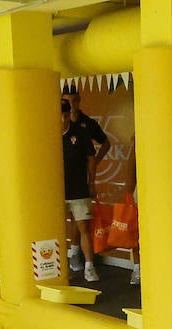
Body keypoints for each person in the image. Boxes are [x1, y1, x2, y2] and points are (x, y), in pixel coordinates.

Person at [61, 86, 111, 274]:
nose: (71, 106)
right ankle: (72, 254)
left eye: (74, 101)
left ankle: (81, 258)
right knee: (68, 220)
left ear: (79, 101)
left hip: (80, 179)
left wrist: (95, 162)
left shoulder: (87, 124)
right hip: (62, 183)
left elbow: (104, 144)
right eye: (67, 102)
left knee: (80, 220)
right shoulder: (52, 128)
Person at [61, 99, 99, 282]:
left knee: (84, 227)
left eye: (66, 115)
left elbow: (91, 159)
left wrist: (92, 182)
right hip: (55, 192)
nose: (62, 119)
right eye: (59, 115)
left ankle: (89, 267)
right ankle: (60, 268)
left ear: (70, 115)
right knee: (57, 230)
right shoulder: (47, 133)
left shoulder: (81, 133)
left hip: (79, 189)